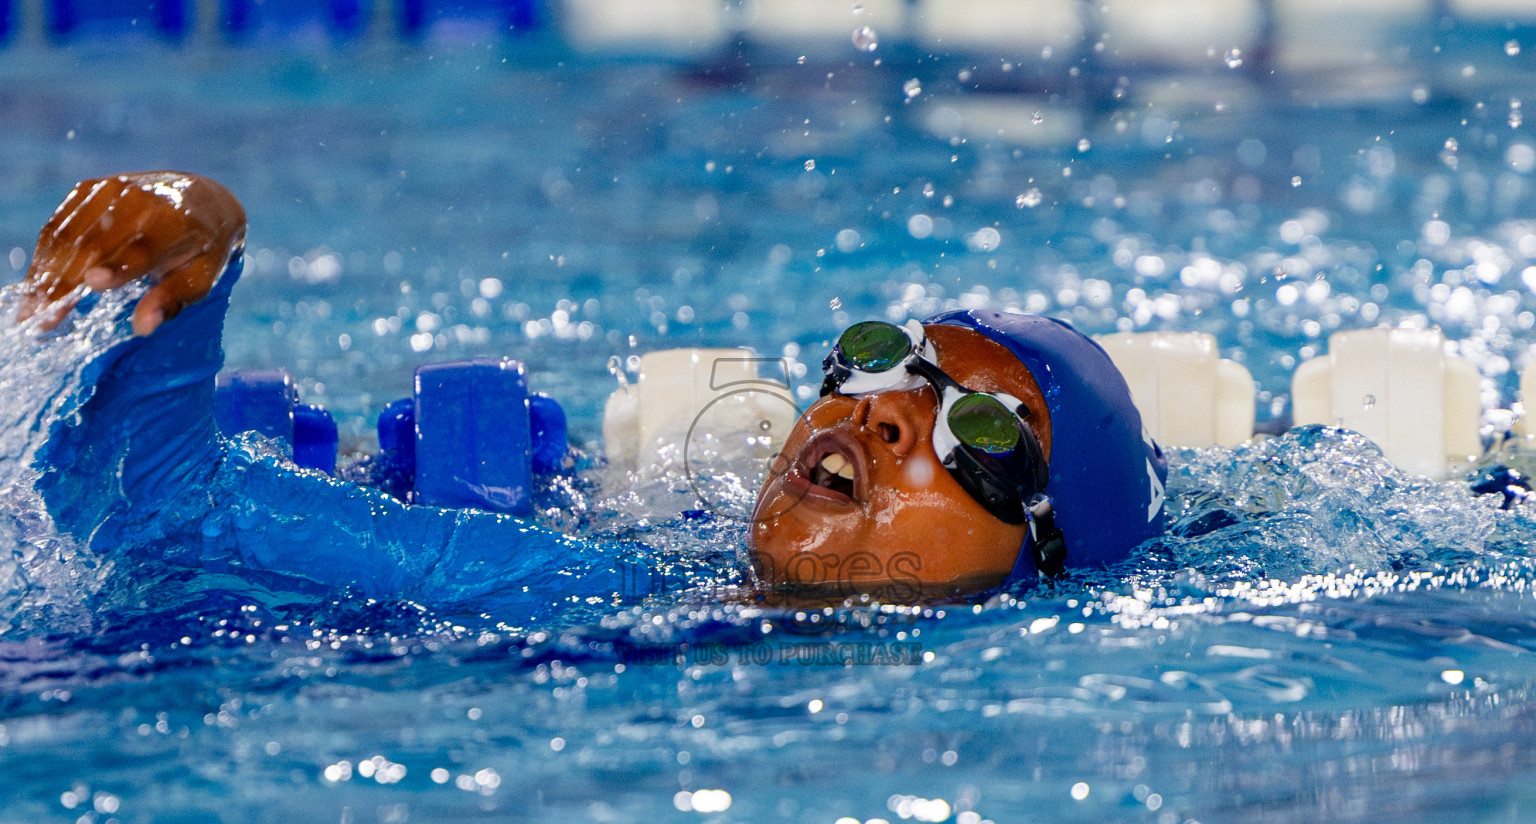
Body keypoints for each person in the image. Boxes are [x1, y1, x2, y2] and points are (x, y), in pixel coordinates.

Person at [13, 171, 1165, 617]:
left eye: (979, 430)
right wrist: (194, 261)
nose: (884, 412)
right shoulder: (583, 590)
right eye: (880, 363)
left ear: (1044, 556)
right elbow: (167, 513)